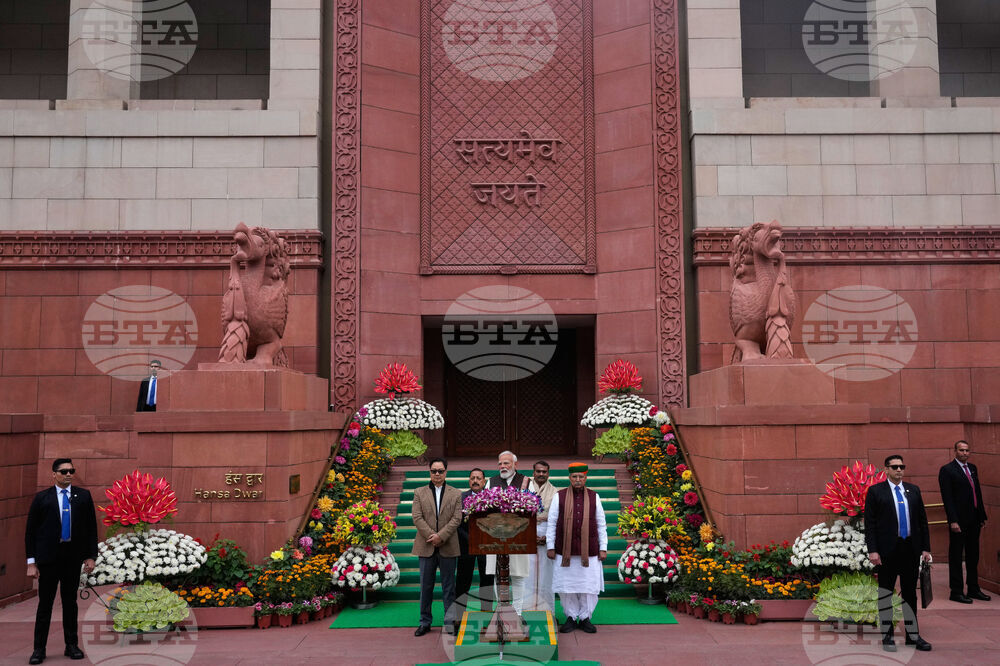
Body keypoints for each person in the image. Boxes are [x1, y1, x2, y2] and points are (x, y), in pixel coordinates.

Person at [24, 458, 98, 665]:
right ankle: (39, 649)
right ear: (54, 474)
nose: (68, 474)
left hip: (72, 559)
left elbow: (91, 528)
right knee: (45, 605)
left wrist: (91, 556)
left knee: (70, 603)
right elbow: (30, 532)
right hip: (48, 559)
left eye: (71, 471)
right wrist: (31, 562)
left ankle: (71, 645)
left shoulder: (83, 497)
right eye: (63, 471)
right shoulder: (42, 498)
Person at [864, 454, 932, 653]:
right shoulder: (876, 491)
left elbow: (922, 522)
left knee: (910, 594)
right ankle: (887, 636)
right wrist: (873, 550)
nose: (899, 470)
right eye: (894, 467)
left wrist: (926, 548)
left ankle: (913, 636)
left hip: (910, 549)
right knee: (885, 594)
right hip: (886, 552)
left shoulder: (913, 491)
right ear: (886, 470)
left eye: (902, 466)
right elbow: (870, 524)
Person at [546, 462, 607, 634]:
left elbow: (601, 524)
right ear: (570, 478)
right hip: (565, 551)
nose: (578, 479)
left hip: (590, 551)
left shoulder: (595, 497)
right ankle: (571, 617)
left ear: (586, 478)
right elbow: (552, 523)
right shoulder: (560, 496)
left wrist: (603, 547)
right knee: (567, 586)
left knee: (589, 586)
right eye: (574, 477)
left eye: (581, 476)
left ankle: (586, 617)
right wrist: (550, 546)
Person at [411, 457, 463, 637]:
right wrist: (432, 536)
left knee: (449, 587)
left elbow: (457, 518)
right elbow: (417, 517)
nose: (437, 474)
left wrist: (441, 536)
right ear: (430, 472)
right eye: (434, 471)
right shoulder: (419, 492)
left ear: (446, 472)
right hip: (426, 546)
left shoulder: (456, 493)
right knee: (426, 587)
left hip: (448, 545)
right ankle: (424, 622)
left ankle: (450, 623)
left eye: (440, 471)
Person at [938, 440, 989, 603]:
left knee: (974, 555)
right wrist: (953, 520)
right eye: (961, 450)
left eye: (967, 450)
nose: (965, 453)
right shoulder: (947, 470)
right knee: (956, 556)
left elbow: (977, 492)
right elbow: (948, 498)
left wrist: (982, 515)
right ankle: (956, 591)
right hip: (958, 521)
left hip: (974, 519)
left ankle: (973, 588)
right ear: (955, 451)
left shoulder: (973, 468)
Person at [485, 450, 530, 615]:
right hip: (496, 538)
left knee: (518, 577)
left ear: (515, 464)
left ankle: (517, 613)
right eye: (500, 463)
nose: (503, 466)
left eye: (506, 463)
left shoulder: (525, 481)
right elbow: (484, 507)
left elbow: (531, 508)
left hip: (518, 536)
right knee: (498, 577)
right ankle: (501, 612)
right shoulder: (491, 481)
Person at [456, 468, 494, 611]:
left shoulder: (492, 498)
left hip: (487, 546)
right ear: (469, 481)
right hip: (466, 545)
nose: (475, 481)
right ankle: (459, 612)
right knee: (463, 580)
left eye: (478, 478)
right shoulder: (461, 498)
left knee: (487, 579)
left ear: (484, 481)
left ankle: (486, 609)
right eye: (472, 478)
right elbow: (457, 523)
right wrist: (472, 539)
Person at [524, 460, 558, 613]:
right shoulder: (524, 488)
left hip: (547, 533)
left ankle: (548, 612)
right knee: (527, 575)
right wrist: (530, 535)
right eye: (538, 471)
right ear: (533, 472)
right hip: (526, 531)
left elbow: (557, 518)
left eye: (544, 472)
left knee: (546, 577)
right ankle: (526, 611)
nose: (541, 474)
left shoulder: (555, 492)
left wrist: (548, 538)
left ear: (548, 473)